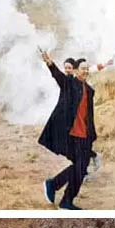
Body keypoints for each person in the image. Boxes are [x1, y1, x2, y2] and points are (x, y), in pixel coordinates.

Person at [40, 53, 97, 210]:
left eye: (87, 69)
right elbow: (59, 77)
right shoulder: (70, 84)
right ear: (76, 71)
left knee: (80, 169)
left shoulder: (89, 91)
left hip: (85, 136)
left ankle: (59, 191)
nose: (85, 71)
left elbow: (89, 116)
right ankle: (63, 197)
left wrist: (92, 136)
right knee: (80, 168)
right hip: (72, 135)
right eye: (82, 69)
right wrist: (50, 64)